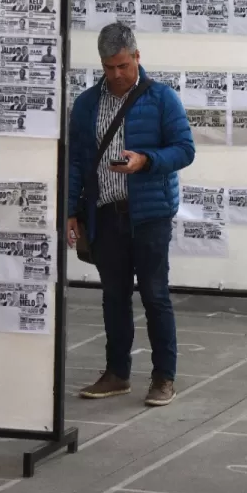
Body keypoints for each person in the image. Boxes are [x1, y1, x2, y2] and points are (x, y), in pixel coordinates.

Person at [67, 23, 195, 407]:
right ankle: (117, 373)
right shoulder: (88, 103)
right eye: (109, 67)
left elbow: (184, 150)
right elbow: (77, 162)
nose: (117, 74)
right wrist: (72, 210)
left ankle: (163, 377)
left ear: (137, 58)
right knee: (114, 297)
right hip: (106, 214)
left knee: (155, 295)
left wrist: (146, 160)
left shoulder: (161, 99)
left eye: (123, 65)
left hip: (150, 214)